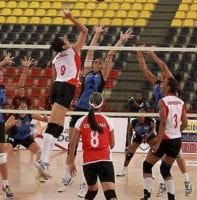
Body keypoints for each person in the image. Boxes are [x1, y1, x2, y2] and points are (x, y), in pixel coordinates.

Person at [57, 25, 134, 195]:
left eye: (100, 63)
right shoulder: (86, 72)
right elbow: (90, 50)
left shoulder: (102, 76)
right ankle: (66, 176)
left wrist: (120, 41)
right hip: (79, 109)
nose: (98, 63)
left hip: (91, 111)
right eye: (97, 62)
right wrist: (97, 34)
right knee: (72, 143)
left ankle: (85, 183)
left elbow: (110, 55)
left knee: (87, 145)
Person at [35, 9, 88, 180]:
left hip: (58, 86)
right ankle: (43, 161)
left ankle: (44, 164)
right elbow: (85, 31)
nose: (67, 38)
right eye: (65, 39)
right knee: (53, 125)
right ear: (64, 44)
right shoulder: (73, 50)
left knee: (57, 127)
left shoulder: (55, 59)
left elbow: (54, 78)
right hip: (66, 87)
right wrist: (71, 17)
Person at [137, 49, 192, 197]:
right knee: (165, 166)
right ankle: (168, 191)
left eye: (165, 76)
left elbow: (163, 66)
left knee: (155, 162)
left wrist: (151, 54)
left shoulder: (171, 83)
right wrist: (139, 53)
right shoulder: (157, 83)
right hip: (173, 135)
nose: (163, 76)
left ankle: (186, 180)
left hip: (165, 131)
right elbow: (144, 70)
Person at [0, 52, 34, 198]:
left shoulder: (3, 88)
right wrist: (3, 62)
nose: (1, 76)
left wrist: (25, 69)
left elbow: (20, 85)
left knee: (1, 155)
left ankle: (5, 185)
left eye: (2, 75)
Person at [140, 77, 188, 200]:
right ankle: (171, 198)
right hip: (176, 140)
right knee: (165, 169)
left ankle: (147, 196)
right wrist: (177, 132)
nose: (160, 85)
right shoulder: (180, 102)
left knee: (147, 165)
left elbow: (163, 124)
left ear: (167, 87)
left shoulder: (163, 101)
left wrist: (158, 142)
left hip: (165, 139)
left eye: (163, 83)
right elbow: (185, 122)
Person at [68, 92, 118, 200]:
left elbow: (72, 144)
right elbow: (112, 144)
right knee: (110, 194)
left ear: (89, 104)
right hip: (105, 161)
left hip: (88, 163)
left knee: (92, 190)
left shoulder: (81, 121)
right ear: (102, 104)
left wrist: (71, 162)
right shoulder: (107, 120)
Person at [5, 101, 48, 182]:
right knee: (3, 155)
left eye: (25, 106)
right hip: (14, 137)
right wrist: (12, 123)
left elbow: (46, 120)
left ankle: (39, 175)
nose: (24, 108)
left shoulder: (30, 115)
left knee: (40, 152)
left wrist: (44, 113)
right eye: (21, 106)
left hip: (25, 138)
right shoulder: (14, 116)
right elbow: (4, 128)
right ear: (18, 108)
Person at [116, 108, 156, 177]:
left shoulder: (150, 120)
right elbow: (130, 133)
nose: (140, 119)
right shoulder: (133, 122)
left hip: (149, 136)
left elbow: (153, 129)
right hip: (138, 136)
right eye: (139, 117)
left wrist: (146, 137)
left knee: (155, 150)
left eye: (142, 118)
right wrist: (129, 145)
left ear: (144, 116)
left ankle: (150, 171)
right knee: (129, 153)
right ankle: (124, 170)